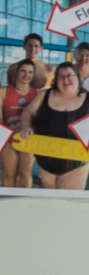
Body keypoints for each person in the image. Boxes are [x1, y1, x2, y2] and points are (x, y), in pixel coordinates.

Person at [29, 43, 89, 189]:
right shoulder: (45, 95)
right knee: (48, 204)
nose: (66, 79)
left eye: (69, 75)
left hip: (76, 164)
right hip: (45, 161)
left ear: (77, 78)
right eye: (61, 76)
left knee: (68, 206)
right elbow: (28, 112)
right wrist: (26, 126)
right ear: (56, 80)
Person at [3, 35, 44, 188]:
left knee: (25, 173)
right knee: (8, 173)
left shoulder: (39, 92)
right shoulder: (4, 91)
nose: (26, 75)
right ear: (16, 72)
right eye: (23, 71)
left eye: (30, 73)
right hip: (8, 136)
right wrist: (8, 134)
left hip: (29, 136)